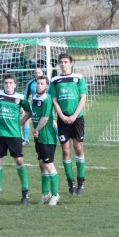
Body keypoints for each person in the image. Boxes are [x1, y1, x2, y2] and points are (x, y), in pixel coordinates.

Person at [0, 74, 32, 204]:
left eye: (11, 83)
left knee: (19, 160)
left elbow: (29, 112)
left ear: (15, 84)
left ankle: (25, 191)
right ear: (3, 84)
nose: (8, 85)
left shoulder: (20, 98)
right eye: (6, 83)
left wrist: (21, 123)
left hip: (14, 134)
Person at [50, 53, 88, 195]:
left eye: (66, 61)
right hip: (62, 119)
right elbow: (54, 100)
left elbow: (83, 97)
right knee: (65, 149)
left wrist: (74, 115)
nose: (63, 64)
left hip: (77, 118)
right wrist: (61, 116)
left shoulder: (79, 78)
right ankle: (70, 181)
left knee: (78, 146)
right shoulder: (55, 80)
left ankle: (81, 180)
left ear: (72, 63)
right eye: (61, 62)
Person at [30, 75, 60, 205]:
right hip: (38, 137)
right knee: (42, 165)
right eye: (38, 83)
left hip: (47, 137)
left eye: (42, 84)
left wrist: (36, 129)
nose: (39, 86)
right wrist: (33, 128)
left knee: (49, 164)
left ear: (47, 86)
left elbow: (45, 118)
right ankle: (45, 193)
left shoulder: (47, 99)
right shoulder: (35, 97)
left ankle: (55, 194)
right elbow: (33, 115)